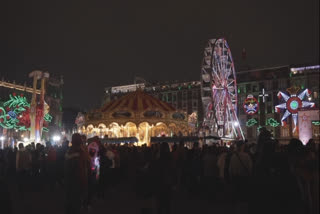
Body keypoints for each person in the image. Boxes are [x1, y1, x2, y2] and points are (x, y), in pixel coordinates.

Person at [64, 134, 89, 214]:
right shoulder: (81, 150)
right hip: (79, 177)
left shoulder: (70, 150)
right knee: (77, 198)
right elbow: (85, 164)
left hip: (71, 178)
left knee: (71, 198)